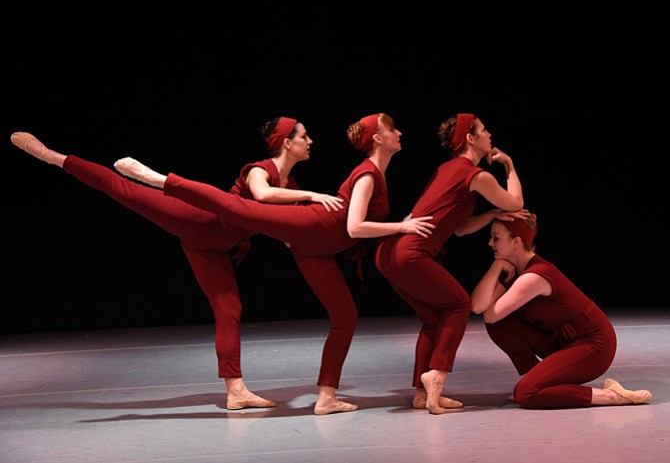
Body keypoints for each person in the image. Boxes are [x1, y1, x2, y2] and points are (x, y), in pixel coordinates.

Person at [113, 113, 441, 415]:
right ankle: (157, 178)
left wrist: (292, 230)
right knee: (236, 207)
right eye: (391, 129)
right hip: (316, 229)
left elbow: (311, 221)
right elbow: (342, 222)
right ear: (378, 138)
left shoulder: (357, 175)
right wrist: (400, 226)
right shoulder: (363, 173)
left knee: (346, 318)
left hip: (318, 248)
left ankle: (326, 397)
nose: (399, 133)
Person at [10, 117, 344, 411]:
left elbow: (286, 229)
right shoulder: (262, 170)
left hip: (217, 249)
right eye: (304, 136)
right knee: (124, 190)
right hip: (201, 221)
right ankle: (53, 156)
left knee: (229, 310)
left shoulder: (294, 188)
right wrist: (314, 197)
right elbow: (261, 196)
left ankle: (236, 391)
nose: (310, 141)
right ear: (286, 143)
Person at [374, 112, 526, 414]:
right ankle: (437, 375)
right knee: (457, 305)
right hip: (411, 254)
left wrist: (491, 216)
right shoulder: (477, 175)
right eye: (483, 130)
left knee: (433, 318)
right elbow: (516, 203)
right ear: (470, 138)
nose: (489, 134)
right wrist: (509, 165)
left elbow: (459, 228)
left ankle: (422, 393)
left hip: (390, 253)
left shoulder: (448, 168)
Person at [470, 213, 652, 408]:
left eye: (496, 238)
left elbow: (490, 314)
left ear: (516, 242)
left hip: (594, 346)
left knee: (526, 393)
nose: (490, 243)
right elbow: (478, 306)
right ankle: (533, 378)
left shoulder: (535, 276)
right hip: (564, 340)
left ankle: (611, 396)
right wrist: (496, 267)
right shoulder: (514, 270)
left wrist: (497, 266)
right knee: (500, 325)